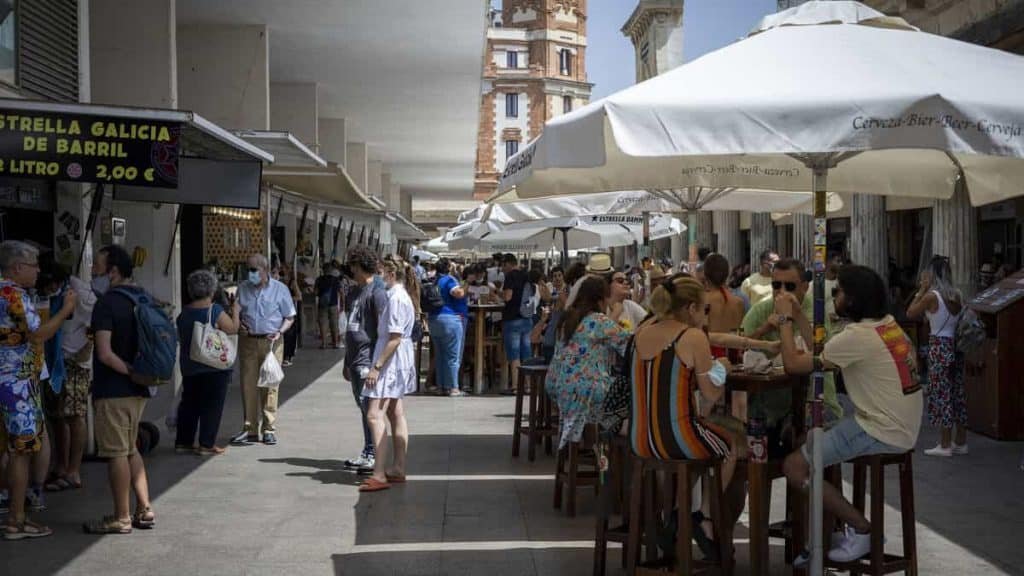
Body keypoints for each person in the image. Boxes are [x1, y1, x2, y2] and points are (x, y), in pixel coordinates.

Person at [780, 265, 922, 563]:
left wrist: (783, 318)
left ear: (853, 300)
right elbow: (823, 351)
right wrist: (800, 316)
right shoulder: (886, 325)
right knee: (809, 438)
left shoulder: (859, 336)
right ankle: (825, 530)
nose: (835, 297)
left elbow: (794, 364)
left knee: (795, 466)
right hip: (900, 425)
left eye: (838, 291)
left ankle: (861, 529)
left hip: (879, 429)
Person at [629, 273, 742, 559]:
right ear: (690, 308)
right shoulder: (690, 336)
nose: (707, 315)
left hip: (641, 439)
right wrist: (723, 367)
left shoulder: (642, 331)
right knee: (732, 446)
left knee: (704, 444)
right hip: (680, 438)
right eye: (705, 309)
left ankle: (677, 515)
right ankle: (701, 517)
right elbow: (712, 393)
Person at [0, 241, 76, 540]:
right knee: (21, 452)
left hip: (7, 380)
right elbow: (39, 334)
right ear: (17, 267)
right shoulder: (13, 294)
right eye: (34, 265)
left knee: (11, 448)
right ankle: (17, 521)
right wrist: (66, 310)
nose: (38, 270)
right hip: (16, 384)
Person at [84, 244, 156, 535]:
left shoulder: (106, 304)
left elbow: (104, 353)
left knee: (115, 453)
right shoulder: (143, 297)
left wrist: (130, 372)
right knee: (130, 450)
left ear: (112, 271)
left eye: (97, 267)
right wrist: (140, 376)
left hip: (114, 389)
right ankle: (145, 508)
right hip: (140, 391)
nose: (93, 272)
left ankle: (121, 516)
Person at [741, 258, 843, 428]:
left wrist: (789, 317)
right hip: (771, 403)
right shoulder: (760, 310)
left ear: (804, 287)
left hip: (815, 400)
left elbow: (820, 352)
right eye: (776, 285)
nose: (781, 291)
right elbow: (740, 347)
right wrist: (764, 329)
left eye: (789, 286)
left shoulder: (815, 311)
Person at [547, 276, 630, 449]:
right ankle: (605, 450)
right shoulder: (599, 321)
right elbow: (630, 347)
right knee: (628, 397)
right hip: (587, 391)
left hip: (558, 386)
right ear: (601, 299)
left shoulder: (568, 318)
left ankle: (586, 447)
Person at [358, 259, 417, 492]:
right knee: (395, 411)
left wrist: (377, 367)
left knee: (374, 415)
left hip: (389, 360)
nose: (378, 277)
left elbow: (394, 337)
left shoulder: (395, 298)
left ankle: (379, 473)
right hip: (399, 358)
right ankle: (398, 467)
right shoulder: (403, 296)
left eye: (381, 272)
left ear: (391, 273)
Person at [230, 254, 295, 447]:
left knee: (270, 385)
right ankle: (249, 428)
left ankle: (268, 428)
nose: (250, 274)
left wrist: (279, 332)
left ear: (265, 270)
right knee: (247, 385)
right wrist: (238, 323)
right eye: (248, 269)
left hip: (271, 343)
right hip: (248, 341)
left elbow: (290, 317)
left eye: (253, 270)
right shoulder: (243, 288)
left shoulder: (280, 289)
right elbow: (236, 312)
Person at [175, 270, 240, 456]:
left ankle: (184, 442)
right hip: (214, 367)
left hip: (189, 367)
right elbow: (232, 329)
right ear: (212, 290)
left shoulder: (184, 312)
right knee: (212, 405)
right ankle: (206, 443)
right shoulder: (215, 310)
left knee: (189, 404)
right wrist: (235, 311)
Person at [907, 255, 968, 457]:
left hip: (939, 345)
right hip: (955, 346)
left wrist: (921, 290)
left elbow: (910, 313)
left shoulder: (931, 296)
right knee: (957, 393)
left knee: (941, 394)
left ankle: (944, 444)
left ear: (932, 275)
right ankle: (960, 441)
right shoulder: (957, 294)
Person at [47, 271, 95, 492]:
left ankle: (73, 470)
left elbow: (96, 319)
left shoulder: (81, 293)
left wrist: (87, 347)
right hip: (57, 359)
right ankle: (60, 466)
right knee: (58, 415)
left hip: (75, 361)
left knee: (74, 415)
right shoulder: (56, 293)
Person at [342, 246, 388, 474]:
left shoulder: (376, 292)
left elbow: (383, 331)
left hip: (367, 359)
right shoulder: (354, 292)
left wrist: (377, 365)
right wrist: (346, 361)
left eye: (352, 266)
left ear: (359, 266)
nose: (351, 270)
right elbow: (350, 329)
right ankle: (368, 450)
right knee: (363, 409)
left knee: (370, 410)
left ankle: (373, 453)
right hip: (355, 358)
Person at [427, 259, 468, 397]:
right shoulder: (449, 280)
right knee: (452, 356)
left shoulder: (434, 280)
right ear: (449, 268)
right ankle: (453, 388)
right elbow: (458, 293)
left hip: (434, 319)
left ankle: (441, 386)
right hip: (450, 319)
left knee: (440, 355)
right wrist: (464, 286)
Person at [500, 254, 532, 394]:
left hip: (512, 318)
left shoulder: (510, 276)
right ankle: (528, 386)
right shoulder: (527, 275)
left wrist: (497, 293)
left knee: (514, 354)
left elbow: (507, 296)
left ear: (508, 264)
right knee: (526, 353)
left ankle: (516, 386)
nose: (502, 269)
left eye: (503, 265)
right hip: (527, 318)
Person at [703, 254, 746, 357]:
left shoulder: (704, 300)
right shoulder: (738, 302)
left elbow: (702, 331)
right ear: (727, 274)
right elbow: (739, 332)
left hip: (709, 354)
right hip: (732, 354)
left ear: (705, 274)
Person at [315, 265, 343, 349]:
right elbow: (341, 292)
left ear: (323, 270)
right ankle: (335, 343)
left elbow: (315, 292)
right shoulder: (335, 280)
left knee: (323, 324)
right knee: (334, 324)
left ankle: (323, 343)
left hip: (322, 305)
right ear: (331, 271)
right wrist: (342, 304)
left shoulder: (319, 279)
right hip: (333, 305)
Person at [280, 265, 302, 367]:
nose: (281, 271)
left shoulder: (292, 283)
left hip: (289, 311)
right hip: (279, 313)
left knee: (289, 335)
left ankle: (287, 356)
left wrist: (288, 298)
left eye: (283, 269)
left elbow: (299, 296)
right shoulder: (277, 283)